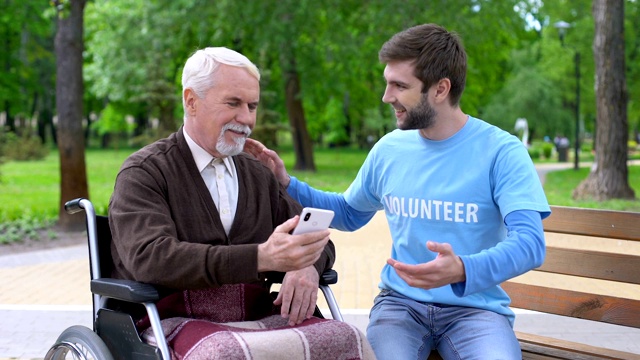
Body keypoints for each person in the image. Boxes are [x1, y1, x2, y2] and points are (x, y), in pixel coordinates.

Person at [245, 23, 550, 360]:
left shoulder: (502, 152)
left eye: (399, 86)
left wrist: (463, 268)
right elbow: (348, 213)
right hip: (400, 308)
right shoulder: (390, 149)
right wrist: (286, 182)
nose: (386, 96)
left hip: (476, 311)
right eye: (387, 83)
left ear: (440, 89)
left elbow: (530, 244)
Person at [107, 48, 378, 359]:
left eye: (252, 106)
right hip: (171, 317)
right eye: (233, 103)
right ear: (191, 101)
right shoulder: (145, 172)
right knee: (225, 352)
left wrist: (306, 265)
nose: (246, 118)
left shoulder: (258, 174)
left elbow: (319, 241)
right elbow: (150, 258)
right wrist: (260, 257)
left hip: (257, 316)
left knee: (346, 337)